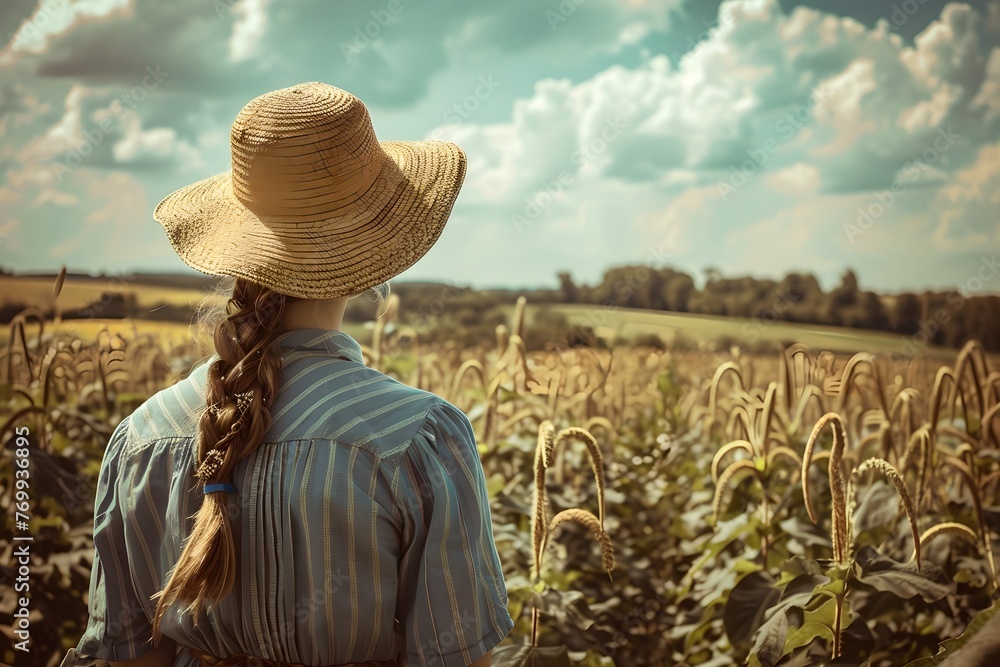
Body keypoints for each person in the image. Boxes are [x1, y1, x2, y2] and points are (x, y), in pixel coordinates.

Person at [60, 82, 514, 667]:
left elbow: (124, 653)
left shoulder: (140, 438)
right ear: (370, 260)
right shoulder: (415, 437)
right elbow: (454, 655)